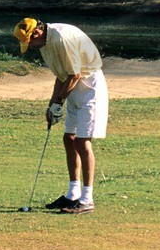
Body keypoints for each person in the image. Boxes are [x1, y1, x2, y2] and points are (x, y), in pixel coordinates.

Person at [12, 17, 108, 213]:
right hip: (72, 87)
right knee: (69, 138)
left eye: (29, 42)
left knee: (82, 141)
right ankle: (72, 195)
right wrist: (51, 105)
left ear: (36, 33)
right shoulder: (45, 44)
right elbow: (62, 76)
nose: (30, 47)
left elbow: (75, 75)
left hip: (90, 87)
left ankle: (87, 199)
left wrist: (59, 102)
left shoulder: (61, 39)